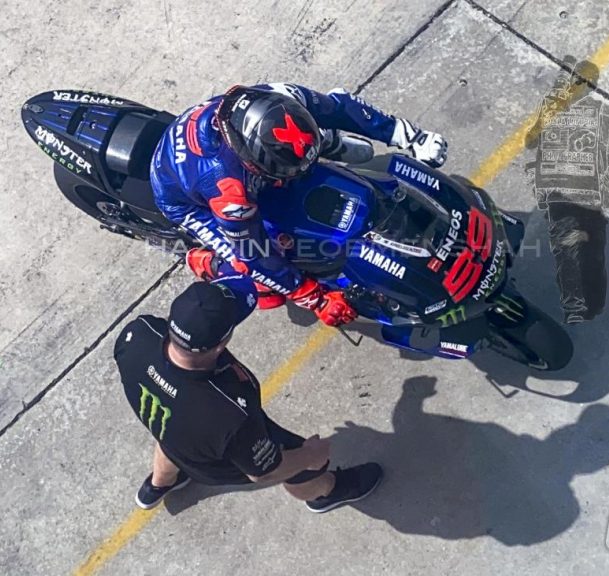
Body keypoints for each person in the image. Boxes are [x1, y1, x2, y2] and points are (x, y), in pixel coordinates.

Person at [150, 83, 449, 327]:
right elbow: (256, 255)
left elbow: (340, 107)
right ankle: (207, 263)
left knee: (315, 151)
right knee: (258, 280)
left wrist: (411, 137)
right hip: (183, 200)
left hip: (217, 148)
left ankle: (319, 146)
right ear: (253, 166)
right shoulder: (229, 191)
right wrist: (314, 298)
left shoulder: (279, 97)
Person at [113, 274, 383, 513]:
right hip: (214, 460)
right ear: (220, 345)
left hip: (170, 433)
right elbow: (265, 471)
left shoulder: (138, 334)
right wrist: (311, 456)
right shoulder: (228, 416)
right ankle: (324, 493)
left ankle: (159, 484)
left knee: (170, 441)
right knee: (300, 466)